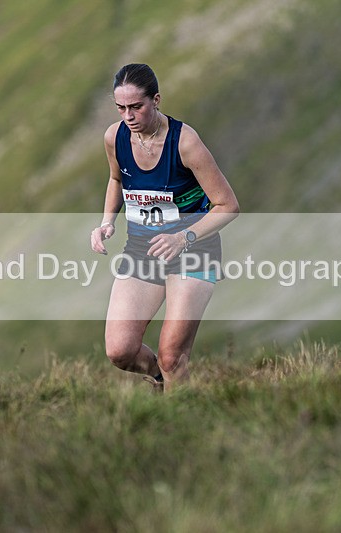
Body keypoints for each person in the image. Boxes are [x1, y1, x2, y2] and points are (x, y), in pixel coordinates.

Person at [90, 63, 239, 392]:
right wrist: (106, 222)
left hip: (194, 249)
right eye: (121, 108)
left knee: (172, 355)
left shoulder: (185, 142)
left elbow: (228, 206)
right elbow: (117, 179)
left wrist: (183, 237)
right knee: (120, 350)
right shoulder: (115, 137)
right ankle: (161, 381)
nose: (128, 116)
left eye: (136, 107)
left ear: (156, 100)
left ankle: (181, 420)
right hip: (142, 250)